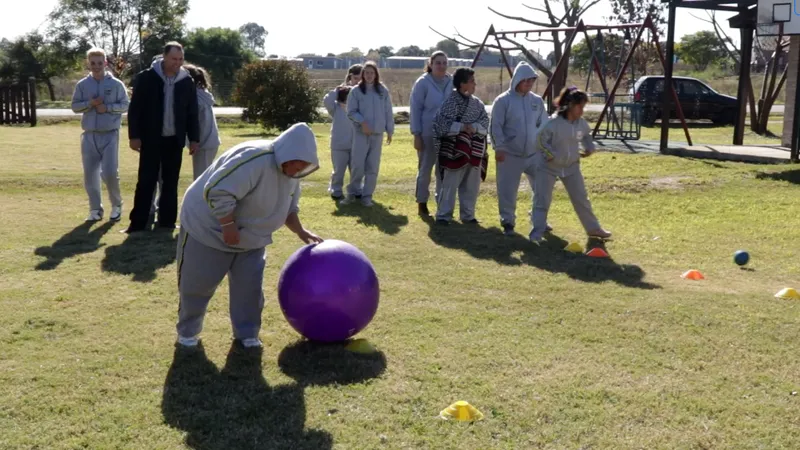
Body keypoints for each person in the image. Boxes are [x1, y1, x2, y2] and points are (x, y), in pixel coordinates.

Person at [175, 122, 323, 349]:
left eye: (302, 167)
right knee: (197, 284)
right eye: (296, 165)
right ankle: (188, 333)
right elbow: (217, 190)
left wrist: (301, 231)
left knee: (250, 289)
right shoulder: (255, 160)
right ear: (287, 154)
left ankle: (247, 334)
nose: (297, 171)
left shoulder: (293, 174)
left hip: (251, 239)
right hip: (208, 230)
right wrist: (228, 226)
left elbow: (288, 208)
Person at [126, 41, 200, 233]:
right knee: (146, 181)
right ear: (164, 57)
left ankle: (167, 223)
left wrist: (194, 139)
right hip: (151, 139)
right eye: (174, 58)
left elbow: (192, 112)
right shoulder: (146, 78)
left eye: (181, 59)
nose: (177, 62)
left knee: (170, 182)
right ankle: (137, 224)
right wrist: (134, 136)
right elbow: (135, 110)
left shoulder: (186, 81)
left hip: (174, 141)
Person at [530, 87, 612, 243]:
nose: (583, 110)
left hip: (571, 167)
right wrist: (549, 155)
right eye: (580, 106)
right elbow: (540, 140)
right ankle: (537, 232)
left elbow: (586, 136)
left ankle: (593, 228)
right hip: (548, 167)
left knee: (581, 198)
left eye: (584, 106)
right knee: (542, 200)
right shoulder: (552, 123)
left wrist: (589, 147)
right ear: (569, 105)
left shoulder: (581, 123)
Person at [149, 63, 222, 218]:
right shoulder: (203, 93)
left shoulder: (196, 95)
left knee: (201, 179)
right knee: (203, 177)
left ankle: (203, 212)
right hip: (209, 141)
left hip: (204, 142)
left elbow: (191, 119)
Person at [489, 61, 550, 237]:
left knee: (542, 188)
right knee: (507, 190)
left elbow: (544, 126)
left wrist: (545, 149)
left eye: (531, 81)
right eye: (525, 81)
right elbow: (496, 126)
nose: (529, 84)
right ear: (517, 80)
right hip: (509, 154)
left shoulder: (537, 101)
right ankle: (507, 221)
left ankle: (539, 220)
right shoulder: (502, 101)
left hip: (534, 154)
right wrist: (499, 147)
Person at [70, 47, 129, 222]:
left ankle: (116, 205)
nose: (96, 66)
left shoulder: (116, 84)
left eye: (99, 63)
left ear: (105, 63)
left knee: (110, 172)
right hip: (89, 135)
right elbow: (75, 107)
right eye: (93, 63)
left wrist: (108, 108)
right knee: (90, 174)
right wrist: (90, 103)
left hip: (110, 134)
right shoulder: (82, 85)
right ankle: (95, 209)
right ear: (89, 64)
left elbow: (125, 105)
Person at [431, 67, 489, 225]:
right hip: (453, 151)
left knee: (471, 185)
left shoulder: (477, 103)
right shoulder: (450, 102)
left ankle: (468, 216)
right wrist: (461, 127)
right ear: (462, 84)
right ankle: (443, 215)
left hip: (474, 150)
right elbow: (441, 125)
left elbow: (485, 122)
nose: (474, 84)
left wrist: (474, 127)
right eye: (471, 81)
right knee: (449, 185)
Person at [344, 61, 394, 207]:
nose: (369, 76)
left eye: (372, 73)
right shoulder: (356, 91)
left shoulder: (382, 91)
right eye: (367, 73)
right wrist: (363, 123)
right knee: (358, 165)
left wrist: (389, 130)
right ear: (363, 75)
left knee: (373, 166)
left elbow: (388, 112)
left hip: (377, 134)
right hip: (361, 133)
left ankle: (367, 196)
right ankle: (352, 193)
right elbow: (351, 112)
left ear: (376, 74)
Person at [409, 51, 452, 216]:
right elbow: (415, 109)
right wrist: (416, 134)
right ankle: (422, 202)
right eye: (438, 63)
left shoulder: (451, 81)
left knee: (444, 171)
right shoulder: (423, 83)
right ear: (431, 64)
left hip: (447, 134)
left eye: (444, 62)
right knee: (425, 169)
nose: (441, 66)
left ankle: (442, 204)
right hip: (427, 133)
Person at [322, 64, 362, 200]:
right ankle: (336, 189)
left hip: (357, 141)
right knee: (338, 169)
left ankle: (356, 190)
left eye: (360, 78)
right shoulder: (337, 103)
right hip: (339, 141)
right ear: (350, 77)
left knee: (356, 169)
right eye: (356, 78)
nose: (358, 81)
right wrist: (341, 88)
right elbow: (327, 100)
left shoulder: (362, 97)